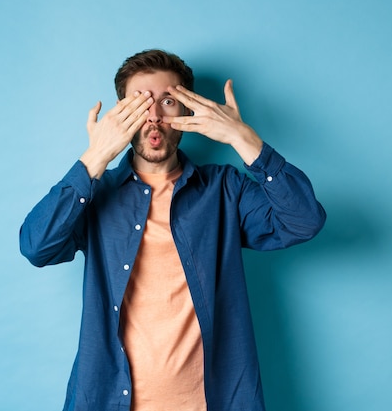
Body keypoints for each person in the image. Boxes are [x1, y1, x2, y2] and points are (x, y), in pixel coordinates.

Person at [19, 49, 326, 411]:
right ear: (121, 115)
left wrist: (244, 139)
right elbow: (36, 246)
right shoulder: (95, 195)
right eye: (139, 103)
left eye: (167, 101)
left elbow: (303, 220)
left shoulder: (225, 190)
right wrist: (95, 157)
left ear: (185, 110)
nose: (153, 117)